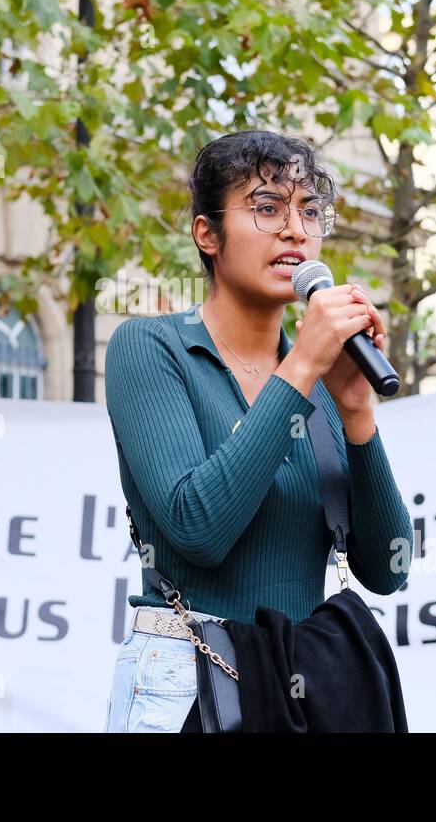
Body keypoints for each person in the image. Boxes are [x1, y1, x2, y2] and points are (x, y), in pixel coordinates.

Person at [100, 130, 413, 733]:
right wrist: (300, 370)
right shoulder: (151, 348)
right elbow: (198, 528)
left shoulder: (324, 376)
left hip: (300, 685)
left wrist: (354, 411)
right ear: (207, 234)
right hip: (186, 677)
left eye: (310, 212)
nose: (295, 230)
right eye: (267, 208)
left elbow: (388, 569)